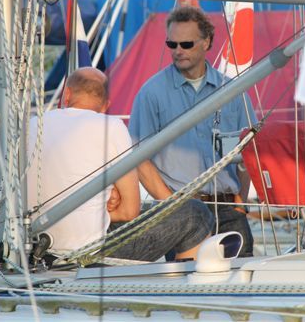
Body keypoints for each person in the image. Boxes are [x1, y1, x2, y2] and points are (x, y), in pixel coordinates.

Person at [27, 67, 213, 262]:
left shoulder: (33, 125)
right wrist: (106, 208)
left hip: (37, 249)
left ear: (67, 95)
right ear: (106, 106)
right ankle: (183, 280)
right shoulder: (111, 127)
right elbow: (129, 211)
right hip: (88, 253)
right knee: (196, 214)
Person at [129, 5, 256, 257]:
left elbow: (249, 148)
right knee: (186, 282)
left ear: (206, 42)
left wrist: (241, 199)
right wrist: (170, 205)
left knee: (241, 280)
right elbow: (138, 157)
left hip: (230, 210)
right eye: (172, 44)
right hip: (182, 213)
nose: (178, 51)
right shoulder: (151, 93)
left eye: (186, 44)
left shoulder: (233, 90)